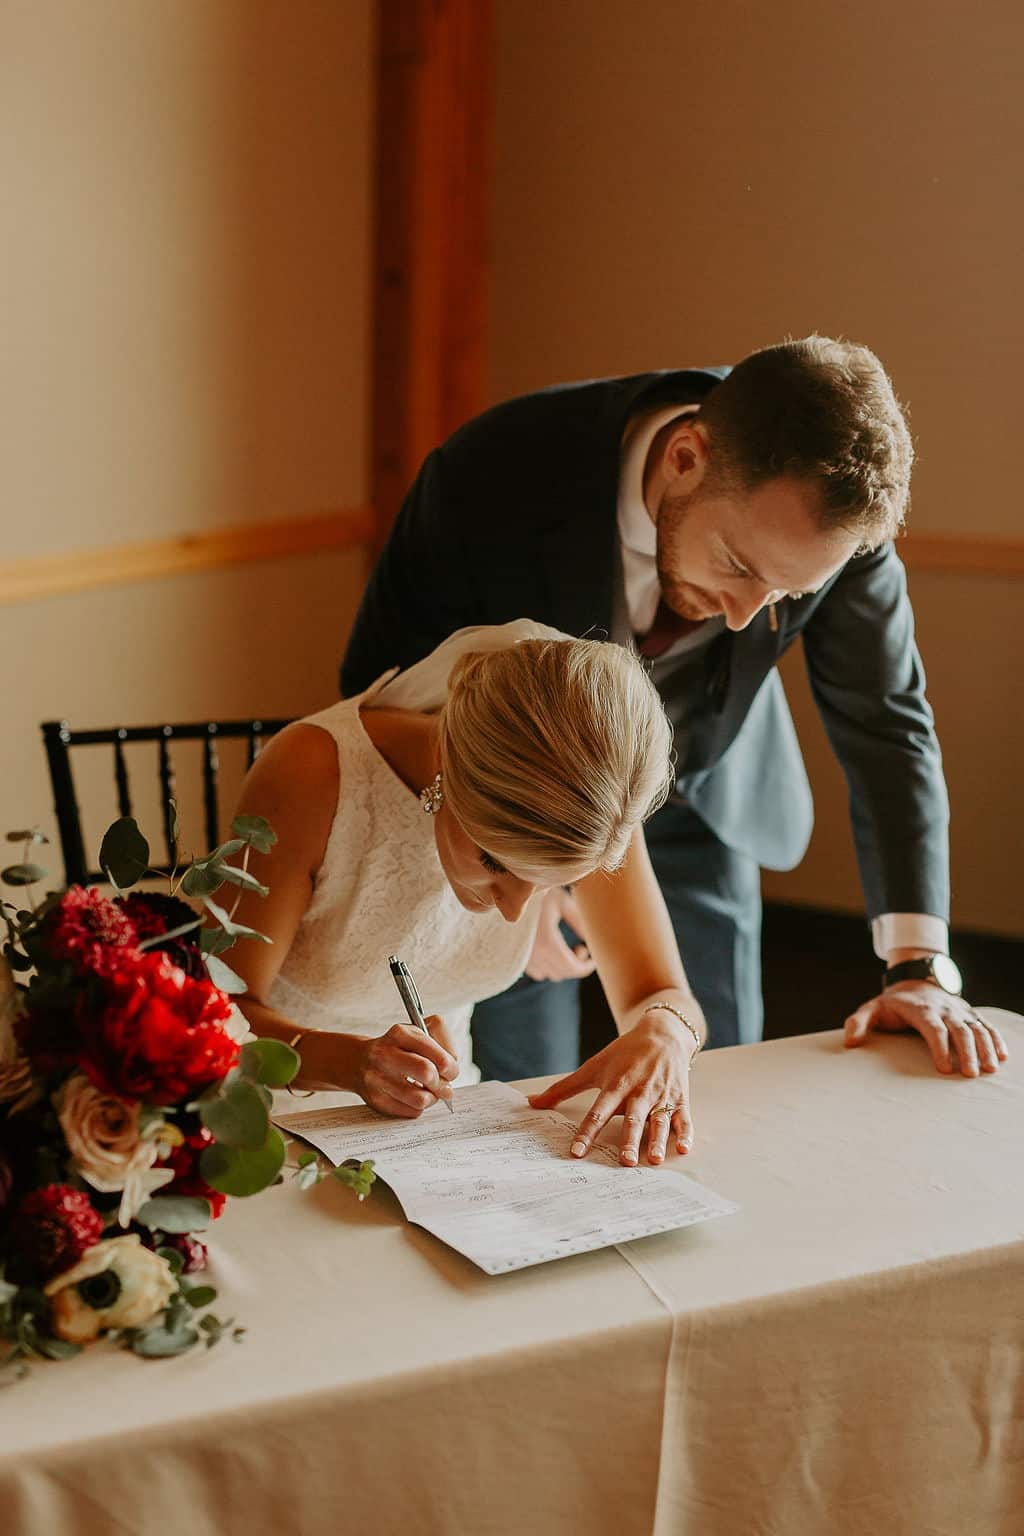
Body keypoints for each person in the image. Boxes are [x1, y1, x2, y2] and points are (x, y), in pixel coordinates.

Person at [341, 335, 1008, 1083]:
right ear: (685, 456)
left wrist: (917, 965)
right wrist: (496, 862)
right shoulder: (491, 474)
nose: (742, 618)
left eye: (786, 595)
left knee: (714, 1071)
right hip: (518, 819)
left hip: (706, 797)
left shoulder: (834, 521)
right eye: (739, 566)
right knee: (519, 1086)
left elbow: (887, 723)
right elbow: (383, 691)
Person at [226, 624, 706, 1166]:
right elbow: (213, 1013)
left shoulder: (587, 799)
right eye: (494, 863)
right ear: (449, 773)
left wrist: (668, 1031)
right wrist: (345, 1063)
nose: (513, 910)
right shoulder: (312, 773)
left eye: (549, 885)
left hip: (438, 1137)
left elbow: (660, 990)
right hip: (264, 1133)